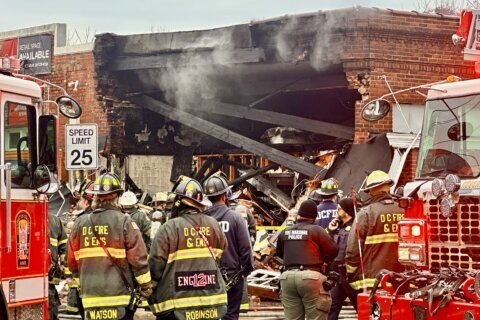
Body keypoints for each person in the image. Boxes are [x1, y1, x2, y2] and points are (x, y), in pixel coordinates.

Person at [68, 173, 152, 320]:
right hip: (120, 301)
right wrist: (146, 287)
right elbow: (138, 259)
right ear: (117, 197)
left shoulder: (79, 224)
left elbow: (71, 263)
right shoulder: (125, 222)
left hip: (89, 299)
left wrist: (81, 285)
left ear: (95, 197)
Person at [149, 177, 228, 320]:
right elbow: (219, 256)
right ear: (200, 204)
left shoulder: (169, 228)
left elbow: (155, 266)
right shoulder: (215, 225)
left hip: (176, 307)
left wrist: (150, 289)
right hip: (211, 304)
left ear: (178, 202)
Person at [276, 199, 339, 320]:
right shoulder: (316, 230)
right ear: (315, 217)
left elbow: (280, 253)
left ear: (299, 214)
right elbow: (333, 251)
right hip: (311, 279)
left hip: (287, 278)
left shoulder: (285, 231)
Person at [203, 174, 254, 320]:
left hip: (206, 276)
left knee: (209, 314)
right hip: (233, 275)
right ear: (225, 195)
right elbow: (245, 248)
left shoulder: (202, 219)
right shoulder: (235, 217)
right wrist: (246, 269)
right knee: (231, 315)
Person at [345, 170, 405, 293]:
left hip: (373, 280)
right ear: (388, 187)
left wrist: (350, 271)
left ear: (370, 191)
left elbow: (353, 249)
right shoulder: (404, 210)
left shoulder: (365, 214)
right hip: (402, 280)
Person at [65, 180, 94, 318]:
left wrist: (73, 274)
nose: (79, 202)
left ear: (87, 202)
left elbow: (71, 254)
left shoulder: (80, 222)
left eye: (82, 198)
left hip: (86, 281)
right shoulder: (120, 220)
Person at [326, 197, 359, 320]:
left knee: (361, 308)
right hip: (338, 275)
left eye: (339, 208)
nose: (336, 210)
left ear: (346, 211)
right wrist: (330, 230)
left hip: (351, 276)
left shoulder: (355, 227)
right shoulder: (338, 227)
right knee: (331, 307)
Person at [48, 212, 68, 320]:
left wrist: (64, 266)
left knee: (51, 307)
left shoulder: (55, 220)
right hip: (33, 276)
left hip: (50, 276)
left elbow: (64, 247)